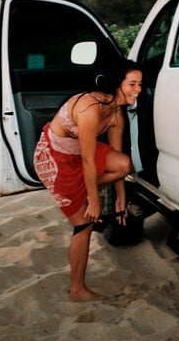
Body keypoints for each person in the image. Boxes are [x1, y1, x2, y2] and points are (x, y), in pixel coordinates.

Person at [33, 59, 143, 302]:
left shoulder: (115, 114)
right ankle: (77, 290)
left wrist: (120, 200)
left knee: (124, 162)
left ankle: (85, 188)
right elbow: (88, 160)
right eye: (132, 84)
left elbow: (117, 164)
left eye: (140, 84)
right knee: (84, 224)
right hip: (55, 157)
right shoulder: (89, 107)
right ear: (117, 84)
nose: (138, 90)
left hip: (81, 158)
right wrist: (94, 201)